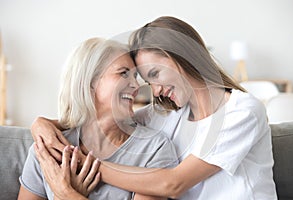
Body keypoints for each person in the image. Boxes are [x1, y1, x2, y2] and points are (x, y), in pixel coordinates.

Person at [31, 16, 277, 199]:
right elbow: (103, 117)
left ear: (182, 57)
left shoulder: (241, 111)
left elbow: (172, 184)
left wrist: (81, 168)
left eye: (155, 74)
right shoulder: (168, 114)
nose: (155, 90)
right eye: (149, 82)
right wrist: (43, 123)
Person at [18, 37, 178, 200]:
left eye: (136, 76)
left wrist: (67, 194)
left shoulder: (153, 149)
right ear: (90, 82)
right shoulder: (49, 148)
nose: (136, 86)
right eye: (123, 73)